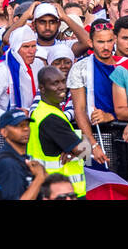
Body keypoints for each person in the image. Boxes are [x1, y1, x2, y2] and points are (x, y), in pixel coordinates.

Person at [27, 65, 88, 198]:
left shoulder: (42, 111)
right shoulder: (51, 118)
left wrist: (74, 151)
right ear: (42, 88)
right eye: (55, 83)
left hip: (53, 190)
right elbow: (86, 153)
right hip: (63, 193)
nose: (62, 87)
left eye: (63, 81)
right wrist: (81, 149)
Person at [0, 106, 46, 200]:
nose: (25, 129)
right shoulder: (8, 164)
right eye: (18, 125)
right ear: (4, 132)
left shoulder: (21, 158)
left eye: (27, 125)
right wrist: (40, 177)